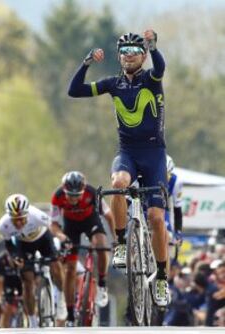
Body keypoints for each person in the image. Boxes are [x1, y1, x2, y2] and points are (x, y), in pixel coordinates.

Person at [68, 30, 170, 306]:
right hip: (127, 152)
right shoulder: (113, 83)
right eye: (123, 51)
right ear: (119, 56)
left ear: (143, 55)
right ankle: (122, 243)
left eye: (134, 51)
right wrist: (86, 63)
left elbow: (160, 67)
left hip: (154, 154)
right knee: (118, 182)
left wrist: (154, 46)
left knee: (157, 219)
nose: (128, 56)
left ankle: (161, 276)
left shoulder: (151, 78)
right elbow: (74, 91)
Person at [50, 171, 115, 325]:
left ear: (83, 190)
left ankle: (102, 284)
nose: (73, 199)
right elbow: (53, 225)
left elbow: (108, 215)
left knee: (101, 245)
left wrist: (116, 238)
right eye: (70, 195)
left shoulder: (92, 193)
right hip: (70, 227)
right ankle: (71, 315)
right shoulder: (57, 196)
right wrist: (62, 237)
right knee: (70, 269)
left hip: (90, 221)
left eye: (77, 195)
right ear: (64, 190)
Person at [0, 193, 67, 327]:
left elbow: (54, 228)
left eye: (21, 219)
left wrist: (62, 243)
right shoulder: (3, 225)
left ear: (27, 214)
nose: (18, 223)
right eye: (14, 219)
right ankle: (32, 321)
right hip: (23, 245)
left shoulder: (37, 216)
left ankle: (61, 296)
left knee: (55, 265)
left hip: (43, 239)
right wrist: (16, 257)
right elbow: (9, 245)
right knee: (27, 282)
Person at [0, 250, 23, 328]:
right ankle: (3, 328)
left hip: (20, 280)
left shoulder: (22, 258)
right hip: (6, 283)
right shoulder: (0, 261)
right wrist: (0, 300)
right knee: (6, 307)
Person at [165, 155, 183, 250]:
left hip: (162, 207)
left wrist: (178, 232)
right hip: (144, 205)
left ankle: (163, 264)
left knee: (168, 236)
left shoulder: (176, 181)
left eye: (167, 175)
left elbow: (177, 209)